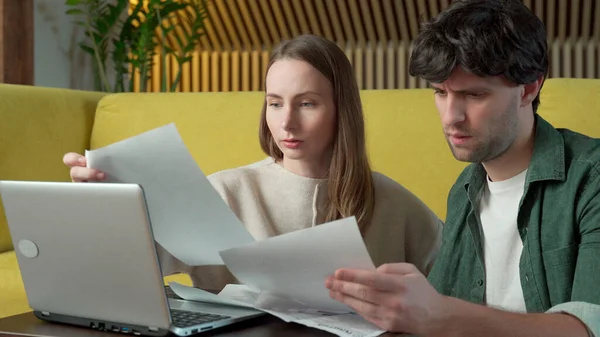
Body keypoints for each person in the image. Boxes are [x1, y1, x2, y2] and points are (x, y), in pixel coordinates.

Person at [63, 34, 442, 290]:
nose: (286, 121)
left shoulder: (392, 202)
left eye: (307, 103)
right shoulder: (225, 191)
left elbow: (457, 278)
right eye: (275, 103)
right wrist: (105, 202)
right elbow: (132, 264)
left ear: (342, 110)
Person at [325, 0, 600, 336]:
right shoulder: (464, 190)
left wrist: (440, 313)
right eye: (440, 93)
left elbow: (591, 326)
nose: (450, 117)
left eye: (473, 95)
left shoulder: (591, 178)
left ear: (529, 88)